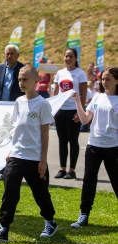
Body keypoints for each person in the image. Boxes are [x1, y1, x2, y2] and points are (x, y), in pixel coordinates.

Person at [0, 65, 57, 244]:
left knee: (40, 194)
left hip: (34, 158)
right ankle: (4, 229)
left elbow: (45, 134)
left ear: (35, 81)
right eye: (19, 79)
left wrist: (43, 161)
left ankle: (50, 222)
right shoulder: (18, 101)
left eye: (25, 79)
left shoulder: (42, 104)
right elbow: (17, 129)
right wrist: (10, 151)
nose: (21, 82)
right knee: (10, 192)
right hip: (16, 156)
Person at [70, 66, 118, 228]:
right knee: (89, 180)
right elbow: (84, 120)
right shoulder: (97, 97)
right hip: (93, 145)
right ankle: (83, 215)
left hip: (113, 147)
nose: (104, 82)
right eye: (103, 79)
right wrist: (78, 101)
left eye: (108, 79)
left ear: (117, 81)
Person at [0, 45, 25, 182]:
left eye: (11, 54)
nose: (9, 56)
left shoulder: (22, 69)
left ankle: (13, 171)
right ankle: (1, 172)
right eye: (7, 53)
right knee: (0, 141)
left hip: (16, 110)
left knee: (14, 140)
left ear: (17, 55)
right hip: (0, 111)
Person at [53, 48, 87, 179]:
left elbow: (83, 94)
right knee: (62, 140)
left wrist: (80, 111)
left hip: (74, 110)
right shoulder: (60, 73)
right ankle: (62, 169)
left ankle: (72, 170)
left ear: (76, 58)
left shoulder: (80, 73)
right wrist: (53, 109)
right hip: (61, 111)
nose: (68, 58)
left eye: (71, 56)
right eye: (66, 56)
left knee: (73, 140)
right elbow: (55, 93)